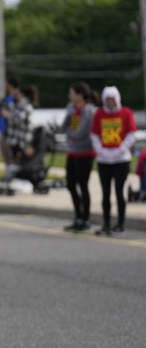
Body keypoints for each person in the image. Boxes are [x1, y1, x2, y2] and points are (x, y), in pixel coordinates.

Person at [90, 85, 137, 236]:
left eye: (112, 99)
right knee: (105, 193)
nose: (110, 102)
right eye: (107, 99)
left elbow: (131, 133)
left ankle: (121, 224)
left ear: (117, 99)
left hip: (121, 159)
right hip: (104, 160)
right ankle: (106, 224)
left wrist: (120, 149)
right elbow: (94, 134)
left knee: (119, 192)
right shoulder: (99, 113)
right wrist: (101, 150)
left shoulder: (126, 113)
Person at [61, 82, 97, 232]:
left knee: (83, 185)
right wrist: (68, 116)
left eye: (72, 93)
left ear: (80, 95)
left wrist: (69, 133)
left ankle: (85, 218)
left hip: (85, 153)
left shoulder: (89, 111)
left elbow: (81, 133)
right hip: (72, 151)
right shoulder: (71, 109)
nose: (69, 96)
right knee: (70, 184)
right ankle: (78, 216)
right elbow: (62, 128)